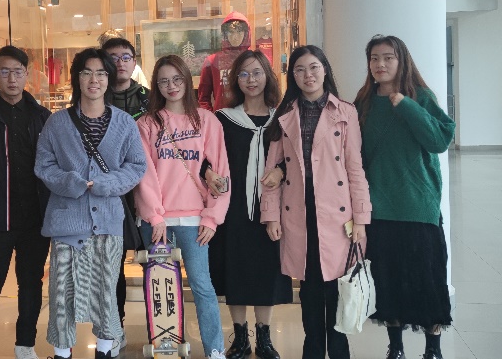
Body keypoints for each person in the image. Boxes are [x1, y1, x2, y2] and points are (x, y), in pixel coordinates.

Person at [34, 48, 147, 359]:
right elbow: (44, 165)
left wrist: (107, 184)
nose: (94, 79)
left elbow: (137, 165)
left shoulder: (124, 123)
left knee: (106, 293)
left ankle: (105, 351)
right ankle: (62, 353)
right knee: (61, 294)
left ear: (109, 79)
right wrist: (70, 182)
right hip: (67, 223)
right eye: (86, 72)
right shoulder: (57, 122)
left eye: (101, 73)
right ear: (77, 78)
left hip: (108, 222)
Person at [259, 45, 371, 359]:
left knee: (336, 286)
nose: (307, 75)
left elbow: (355, 168)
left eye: (313, 67)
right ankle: (312, 350)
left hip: (336, 213)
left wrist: (362, 218)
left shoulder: (345, 111)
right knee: (309, 289)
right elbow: (272, 170)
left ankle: (339, 351)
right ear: (292, 76)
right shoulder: (285, 115)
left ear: (324, 70)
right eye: (299, 69)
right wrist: (271, 215)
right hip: (298, 210)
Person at [353, 36, 455, 359]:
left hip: (418, 206)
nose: (380, 64)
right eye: (374, 58)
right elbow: (354, 154)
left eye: (388, 57)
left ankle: (432, 349)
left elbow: (440, 140)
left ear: (402, 61)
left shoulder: (420, 97)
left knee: (428, 280)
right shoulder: (364, 102)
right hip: (380, 208)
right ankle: (395, 347)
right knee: (388, 281)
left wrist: (406, 105)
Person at [135, 55, 231, 359]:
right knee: (161, 290)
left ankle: (215, 350)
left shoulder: (207, 120)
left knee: (202, 286)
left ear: (187, 81)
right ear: (156, 85)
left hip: (194, 219)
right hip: (158, 222)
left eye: (177, 79)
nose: (171, 86)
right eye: (164, 80)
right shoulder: (147, 123)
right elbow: (145, 174)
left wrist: (212, 218)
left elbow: (221, 171)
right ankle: (167, 348)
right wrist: (155, 216)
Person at [207, 50, 291, 359]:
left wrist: (281, 171)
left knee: (267, 269)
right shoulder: (223, 119)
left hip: (271, 209)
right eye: (243, 74)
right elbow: (206, 156)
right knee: (236, 269)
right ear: (235, 80)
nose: (250, 80)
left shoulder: (281, 118)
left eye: (256, 73)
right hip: (233, 209)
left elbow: (294, 159)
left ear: (268, 76)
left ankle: (264, 337)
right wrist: (208, 172)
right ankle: (240, 337)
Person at [0, 46, 53, 359]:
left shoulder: (43, 117)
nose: (11, 78)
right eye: (5, 71)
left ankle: (25, 345)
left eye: (17, 71)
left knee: (31, 284)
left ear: (27, 74)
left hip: (34, 218)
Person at [102, 36, 150, 357]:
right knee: (112, 265)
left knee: (155, 261)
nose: (120, 63)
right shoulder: (95, 96)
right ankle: (115, 327)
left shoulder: (150, 98)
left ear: (134, 61)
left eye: (126, 57)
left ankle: (161, 327)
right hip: (110, 193)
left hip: (148, 191)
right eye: (113, 57)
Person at [198, 12, 253, 111]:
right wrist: (211, 117)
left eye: (239, 32)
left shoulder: (254, 60)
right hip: (222, 117)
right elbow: (203, 98)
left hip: (251, 117)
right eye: (231, 32)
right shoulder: (212, 61)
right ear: (225, 34)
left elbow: (268, 92)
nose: (235, 37)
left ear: (246, 33)